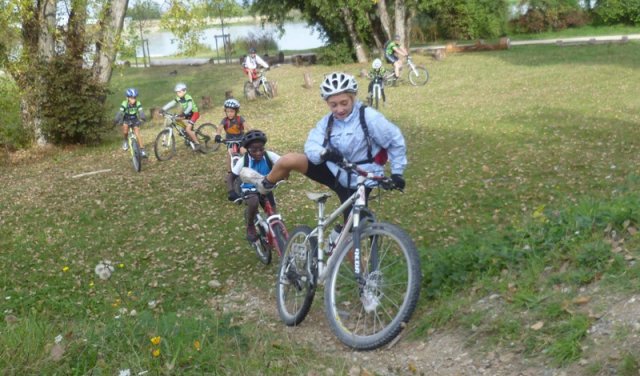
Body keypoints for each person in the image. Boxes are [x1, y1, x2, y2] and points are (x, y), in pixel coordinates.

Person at [240, 72, 407, 221]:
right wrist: (324, 153)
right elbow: (311, 144)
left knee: (353, 229)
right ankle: (264, 184)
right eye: (333, 105)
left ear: (353, 98)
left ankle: (339, 238)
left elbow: (394, 141)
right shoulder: (327, 122)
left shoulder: (369, 117)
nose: (339, 109)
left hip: (361, 179)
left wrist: (397, 172)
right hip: (335, 172)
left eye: (344, 103)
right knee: (288, 160)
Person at [229, 130, 281, 241]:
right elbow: (231, 176)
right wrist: (231, 191)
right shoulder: (244, 160)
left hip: (265, 187)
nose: (258, 153)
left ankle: (276, 232)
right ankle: (250, 225)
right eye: (254, 150)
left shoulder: (268, 156)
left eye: (261, 149)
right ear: (248, 150)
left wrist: (284, 173)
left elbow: (284, 163)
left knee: (273, 212)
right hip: (249, 188)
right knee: (253, 201)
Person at [214, 98, 250, 201]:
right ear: (225, 111)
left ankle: (249, 167)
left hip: (241, 140)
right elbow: (219, 128)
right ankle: (230, 172)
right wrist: (217, 135)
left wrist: (250, 132)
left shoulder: (239, 119)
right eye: (228, 111)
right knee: (229, 153)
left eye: (232, 111)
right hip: (229, 141)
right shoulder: (224, 120)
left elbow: (247, 127)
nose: (229, 113)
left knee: (244, 151)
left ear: (236, 111)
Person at [161, 83, 202, 151]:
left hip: (194, 113)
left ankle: (197, 143)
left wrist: (183, 113)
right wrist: (163, 109)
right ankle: (187, 133)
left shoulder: (188, 97)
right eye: (177, 92)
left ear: (184, 91)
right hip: (187, 113)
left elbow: (190, 106)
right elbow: (171, 103)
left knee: (188, 129)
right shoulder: (179, 98)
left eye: (179, 92)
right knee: (176, 119)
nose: (178, 94)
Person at [115, 88, 148, 158]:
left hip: (134, 118)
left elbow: (141, 111)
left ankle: (142, 150)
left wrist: (143, 117)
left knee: (137, 133)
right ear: (127, 98)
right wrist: (116, 119)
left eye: (135, 98)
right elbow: (120, 112)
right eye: (131, 98)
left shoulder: (138, 103)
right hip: (126, 118)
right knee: (125, 131)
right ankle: (125, 141)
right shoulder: (124, 103)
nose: (133, 100)